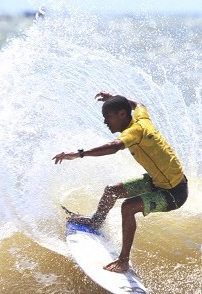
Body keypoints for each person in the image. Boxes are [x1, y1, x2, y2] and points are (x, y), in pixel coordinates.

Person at [52, 92, 188, 273]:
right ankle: (96, 222)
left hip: (174, 192)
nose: (105, 122)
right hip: (158, 181)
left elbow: (114, 147)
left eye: (108, 117)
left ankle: (123, 261)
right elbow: (138, 104)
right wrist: (114, 98)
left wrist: (79, 154)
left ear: (122, 114)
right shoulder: (141, 118)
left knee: (128, 207)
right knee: (111, 191)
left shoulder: (135, 131)